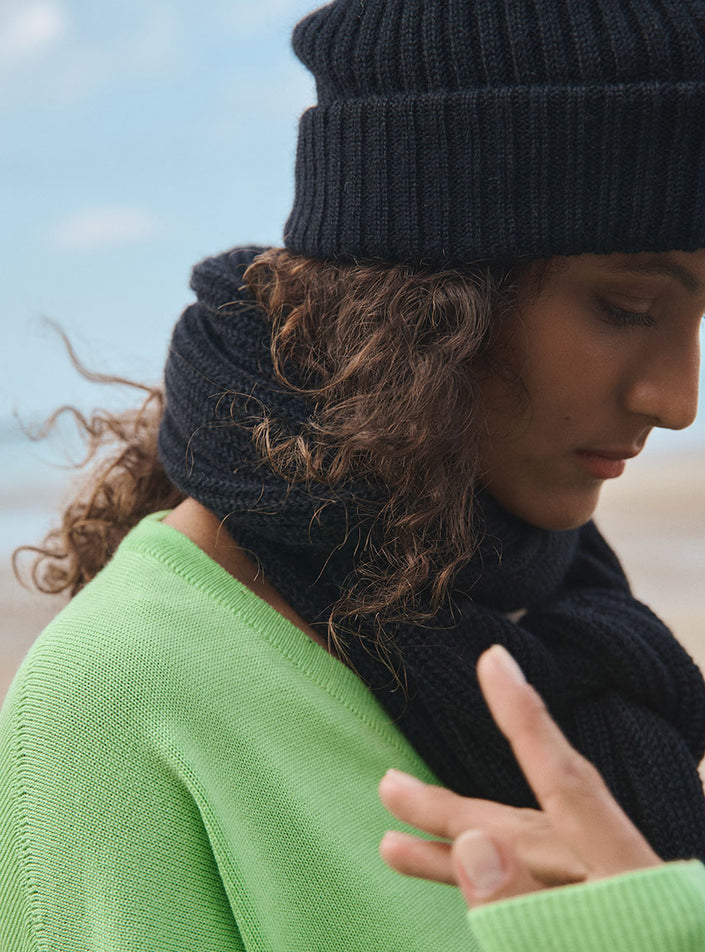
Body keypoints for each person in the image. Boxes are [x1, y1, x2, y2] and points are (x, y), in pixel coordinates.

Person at [2, 0, 705, 949]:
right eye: (627, 306)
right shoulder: (116, 705)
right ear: (432, 301)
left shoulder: (552, 605)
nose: (677, 400)